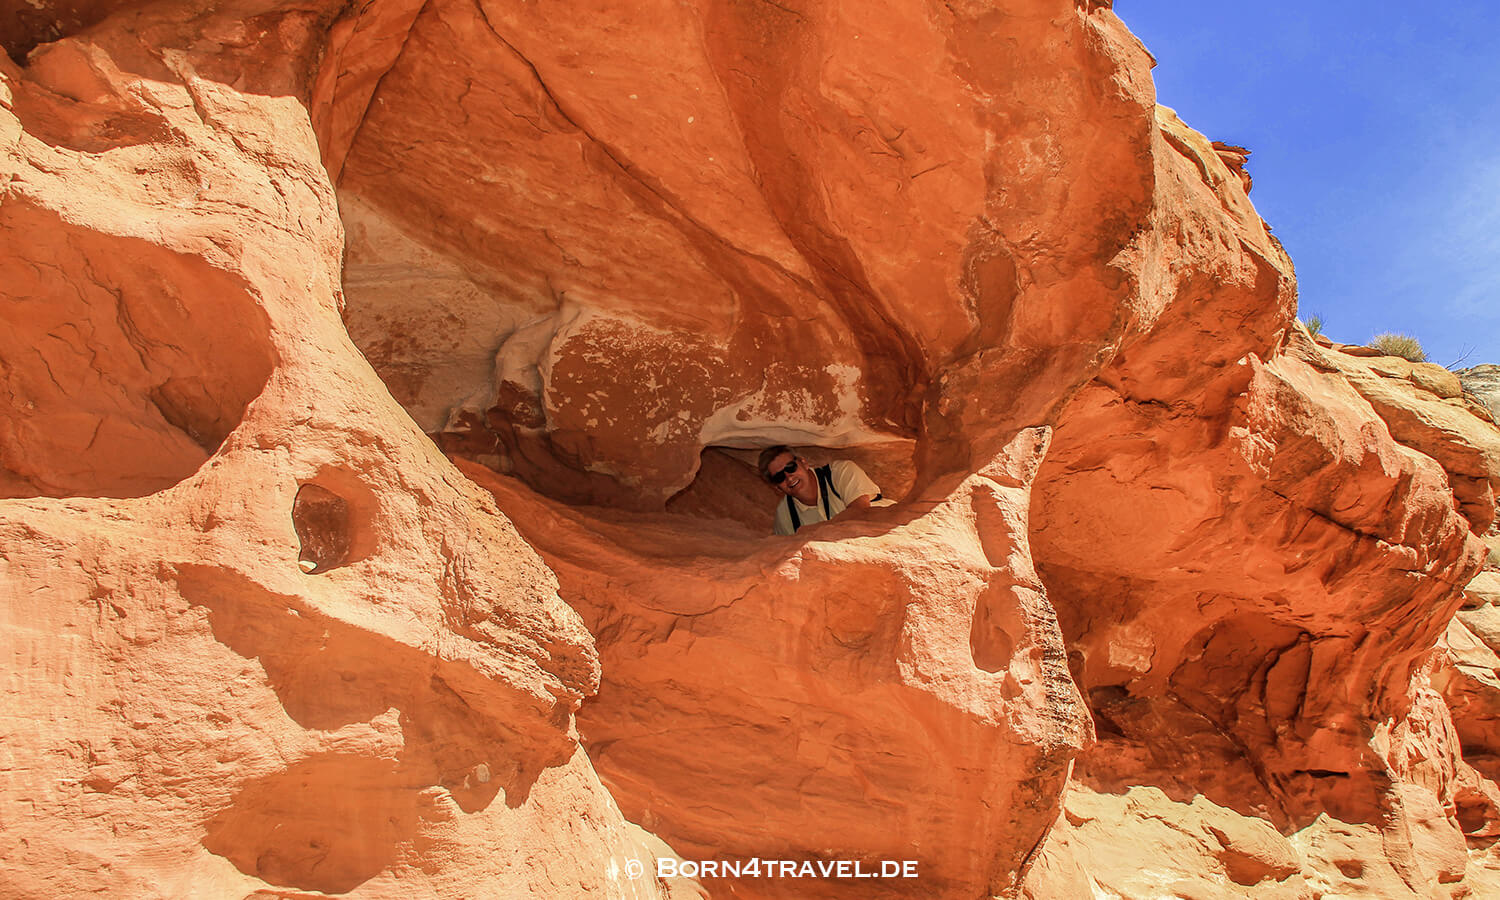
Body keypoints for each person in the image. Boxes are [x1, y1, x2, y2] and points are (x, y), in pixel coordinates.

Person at [758, 445, 882, 536]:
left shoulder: (840, 472)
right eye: (779, 477)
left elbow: (860, 513)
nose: (789, 477)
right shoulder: (785, 515)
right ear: (777, 487)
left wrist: (810, 534)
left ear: (804, 463)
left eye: (791, 467)